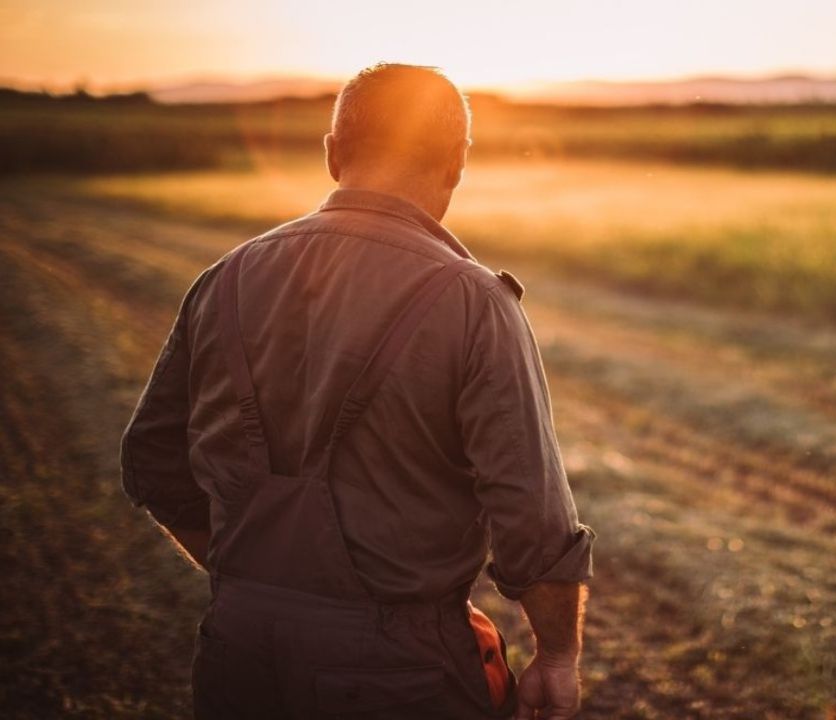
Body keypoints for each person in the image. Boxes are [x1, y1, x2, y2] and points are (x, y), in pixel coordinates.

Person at [120, 63, 595, 720]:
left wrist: (263, 585)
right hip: (401, 673)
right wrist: (558, 656)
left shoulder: (224, 279)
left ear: (333, 153)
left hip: (235, 647)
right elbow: (531, 515)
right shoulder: (474, 301)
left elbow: (151, 458)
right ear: (456, 164)